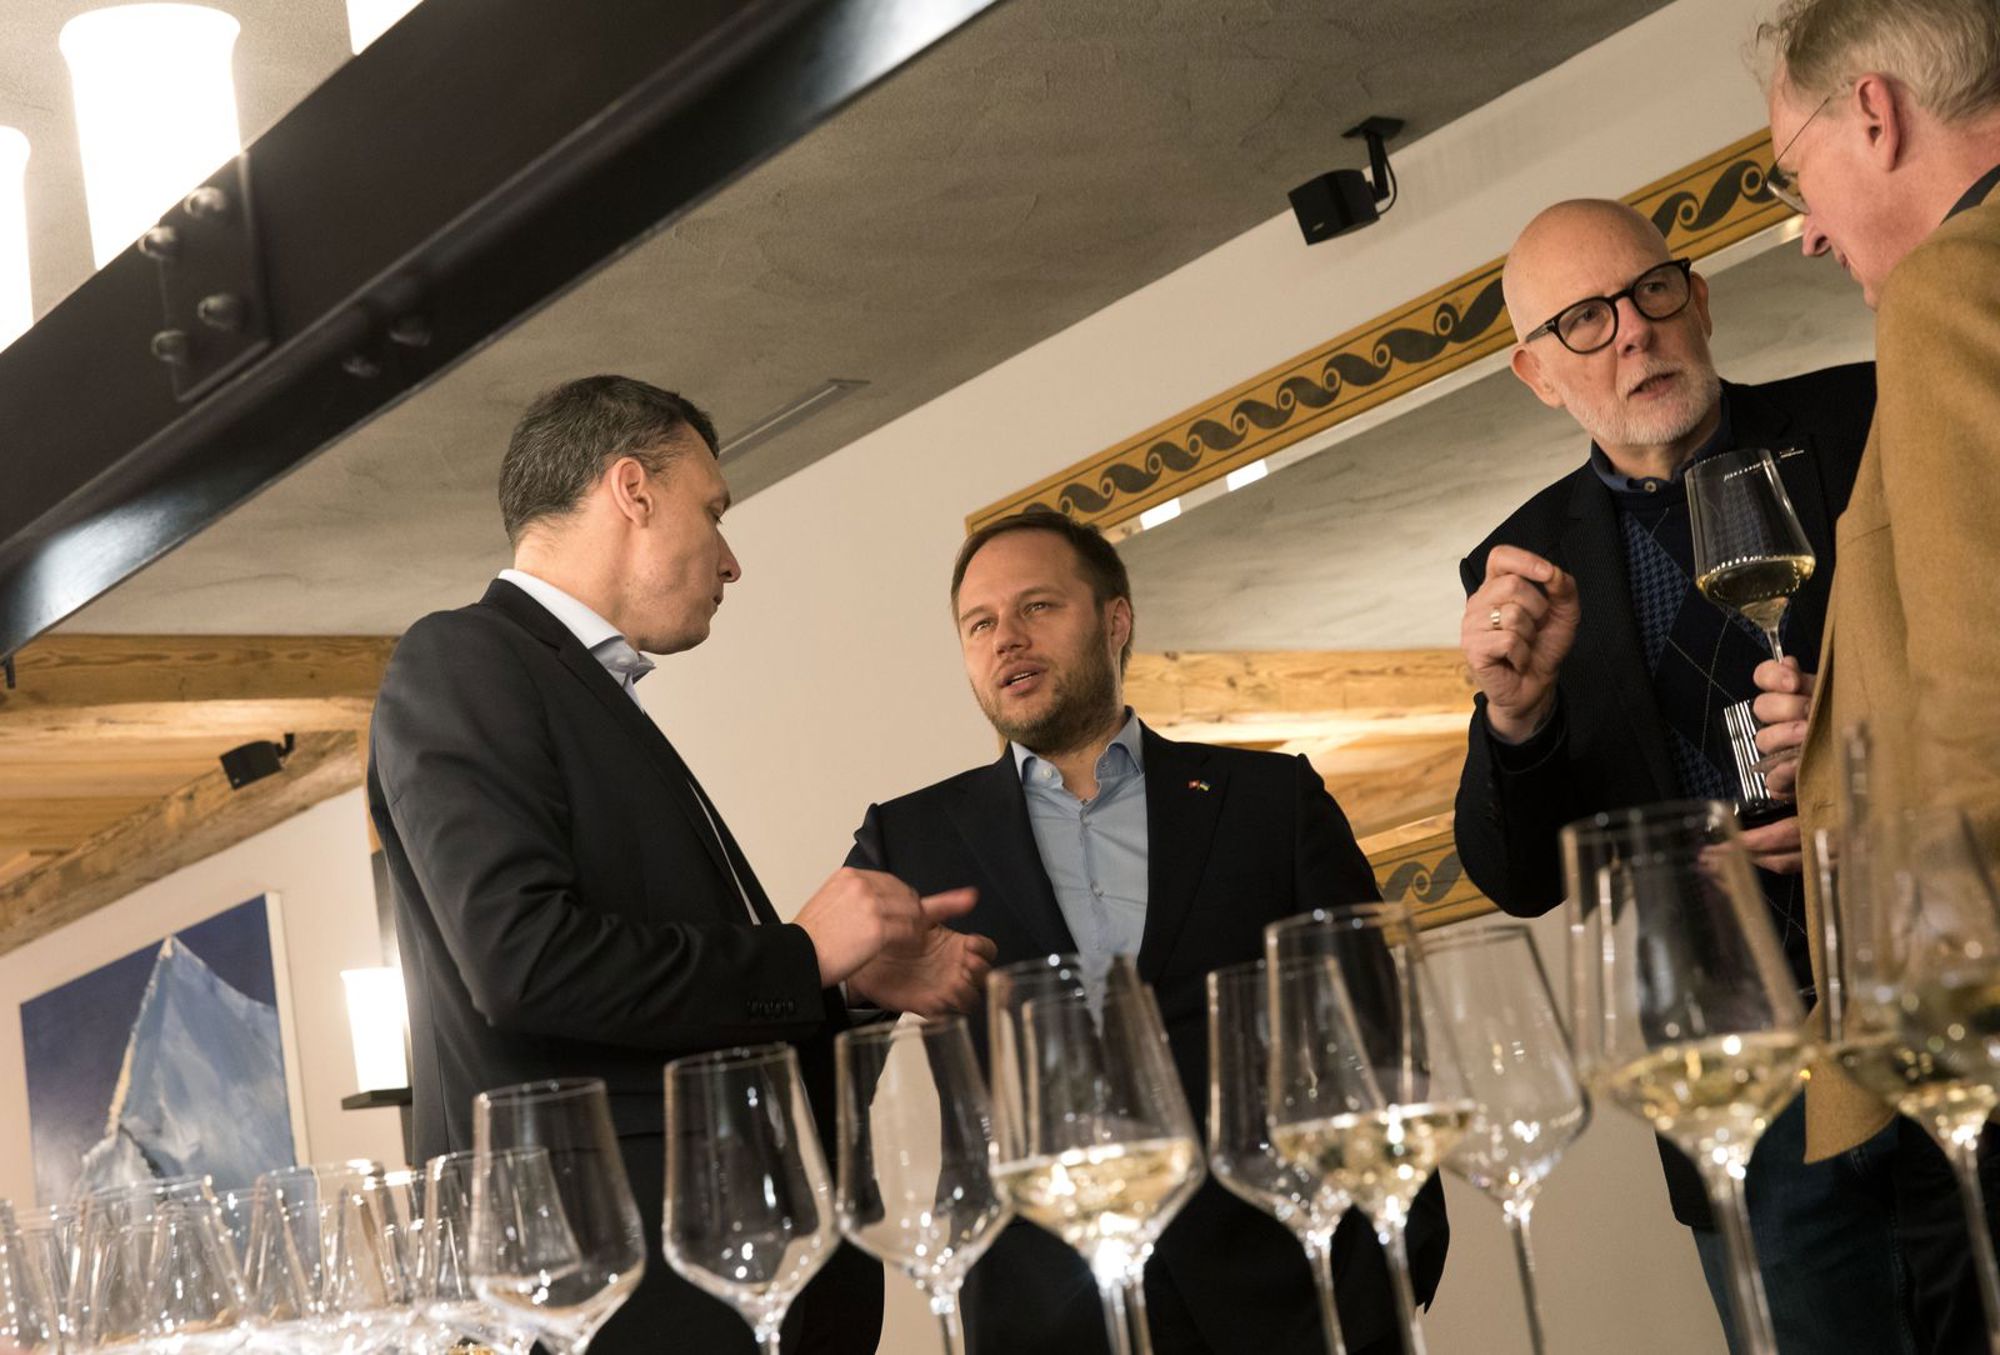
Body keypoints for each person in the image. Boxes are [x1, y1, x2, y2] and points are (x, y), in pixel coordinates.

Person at [367, 375, 995, 1354]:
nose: (730, 559)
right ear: (633, 490)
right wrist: (800, 954)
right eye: (714, 510)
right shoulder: (462, 657)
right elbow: (525, 960)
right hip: (620, 1296)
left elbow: (664, 1007)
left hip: (721, 1287)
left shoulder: (583, 689)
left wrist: (842, 984)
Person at [1448, 198, 1901, 1349]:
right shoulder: (1517, 567)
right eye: (1582, 320)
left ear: (1695, 299)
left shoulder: (1868, 416)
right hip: (1743, 1092)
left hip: (1946, 994)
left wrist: (1870, 743)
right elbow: (1518, 876)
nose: (1631, 332)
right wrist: (1514, 712)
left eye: (1649, 292)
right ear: (1535, 373)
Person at [845, 510, 1448, 1355]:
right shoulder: (908, 838)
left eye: (1037, 606)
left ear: (1115, 620)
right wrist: (849, 989)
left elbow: (1381, 1046)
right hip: (1041, 1320)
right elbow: (824, 1040)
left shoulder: (1270, 801)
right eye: (979, 623)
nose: (1006, 638)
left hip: (1282, 1296)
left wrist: (1387, 1278)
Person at [1751, 3, 2000, 1346]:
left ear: (1872, 112)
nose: (1804, 228)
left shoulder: (1952, 284)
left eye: (1793, 173)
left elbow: (1987, 710)